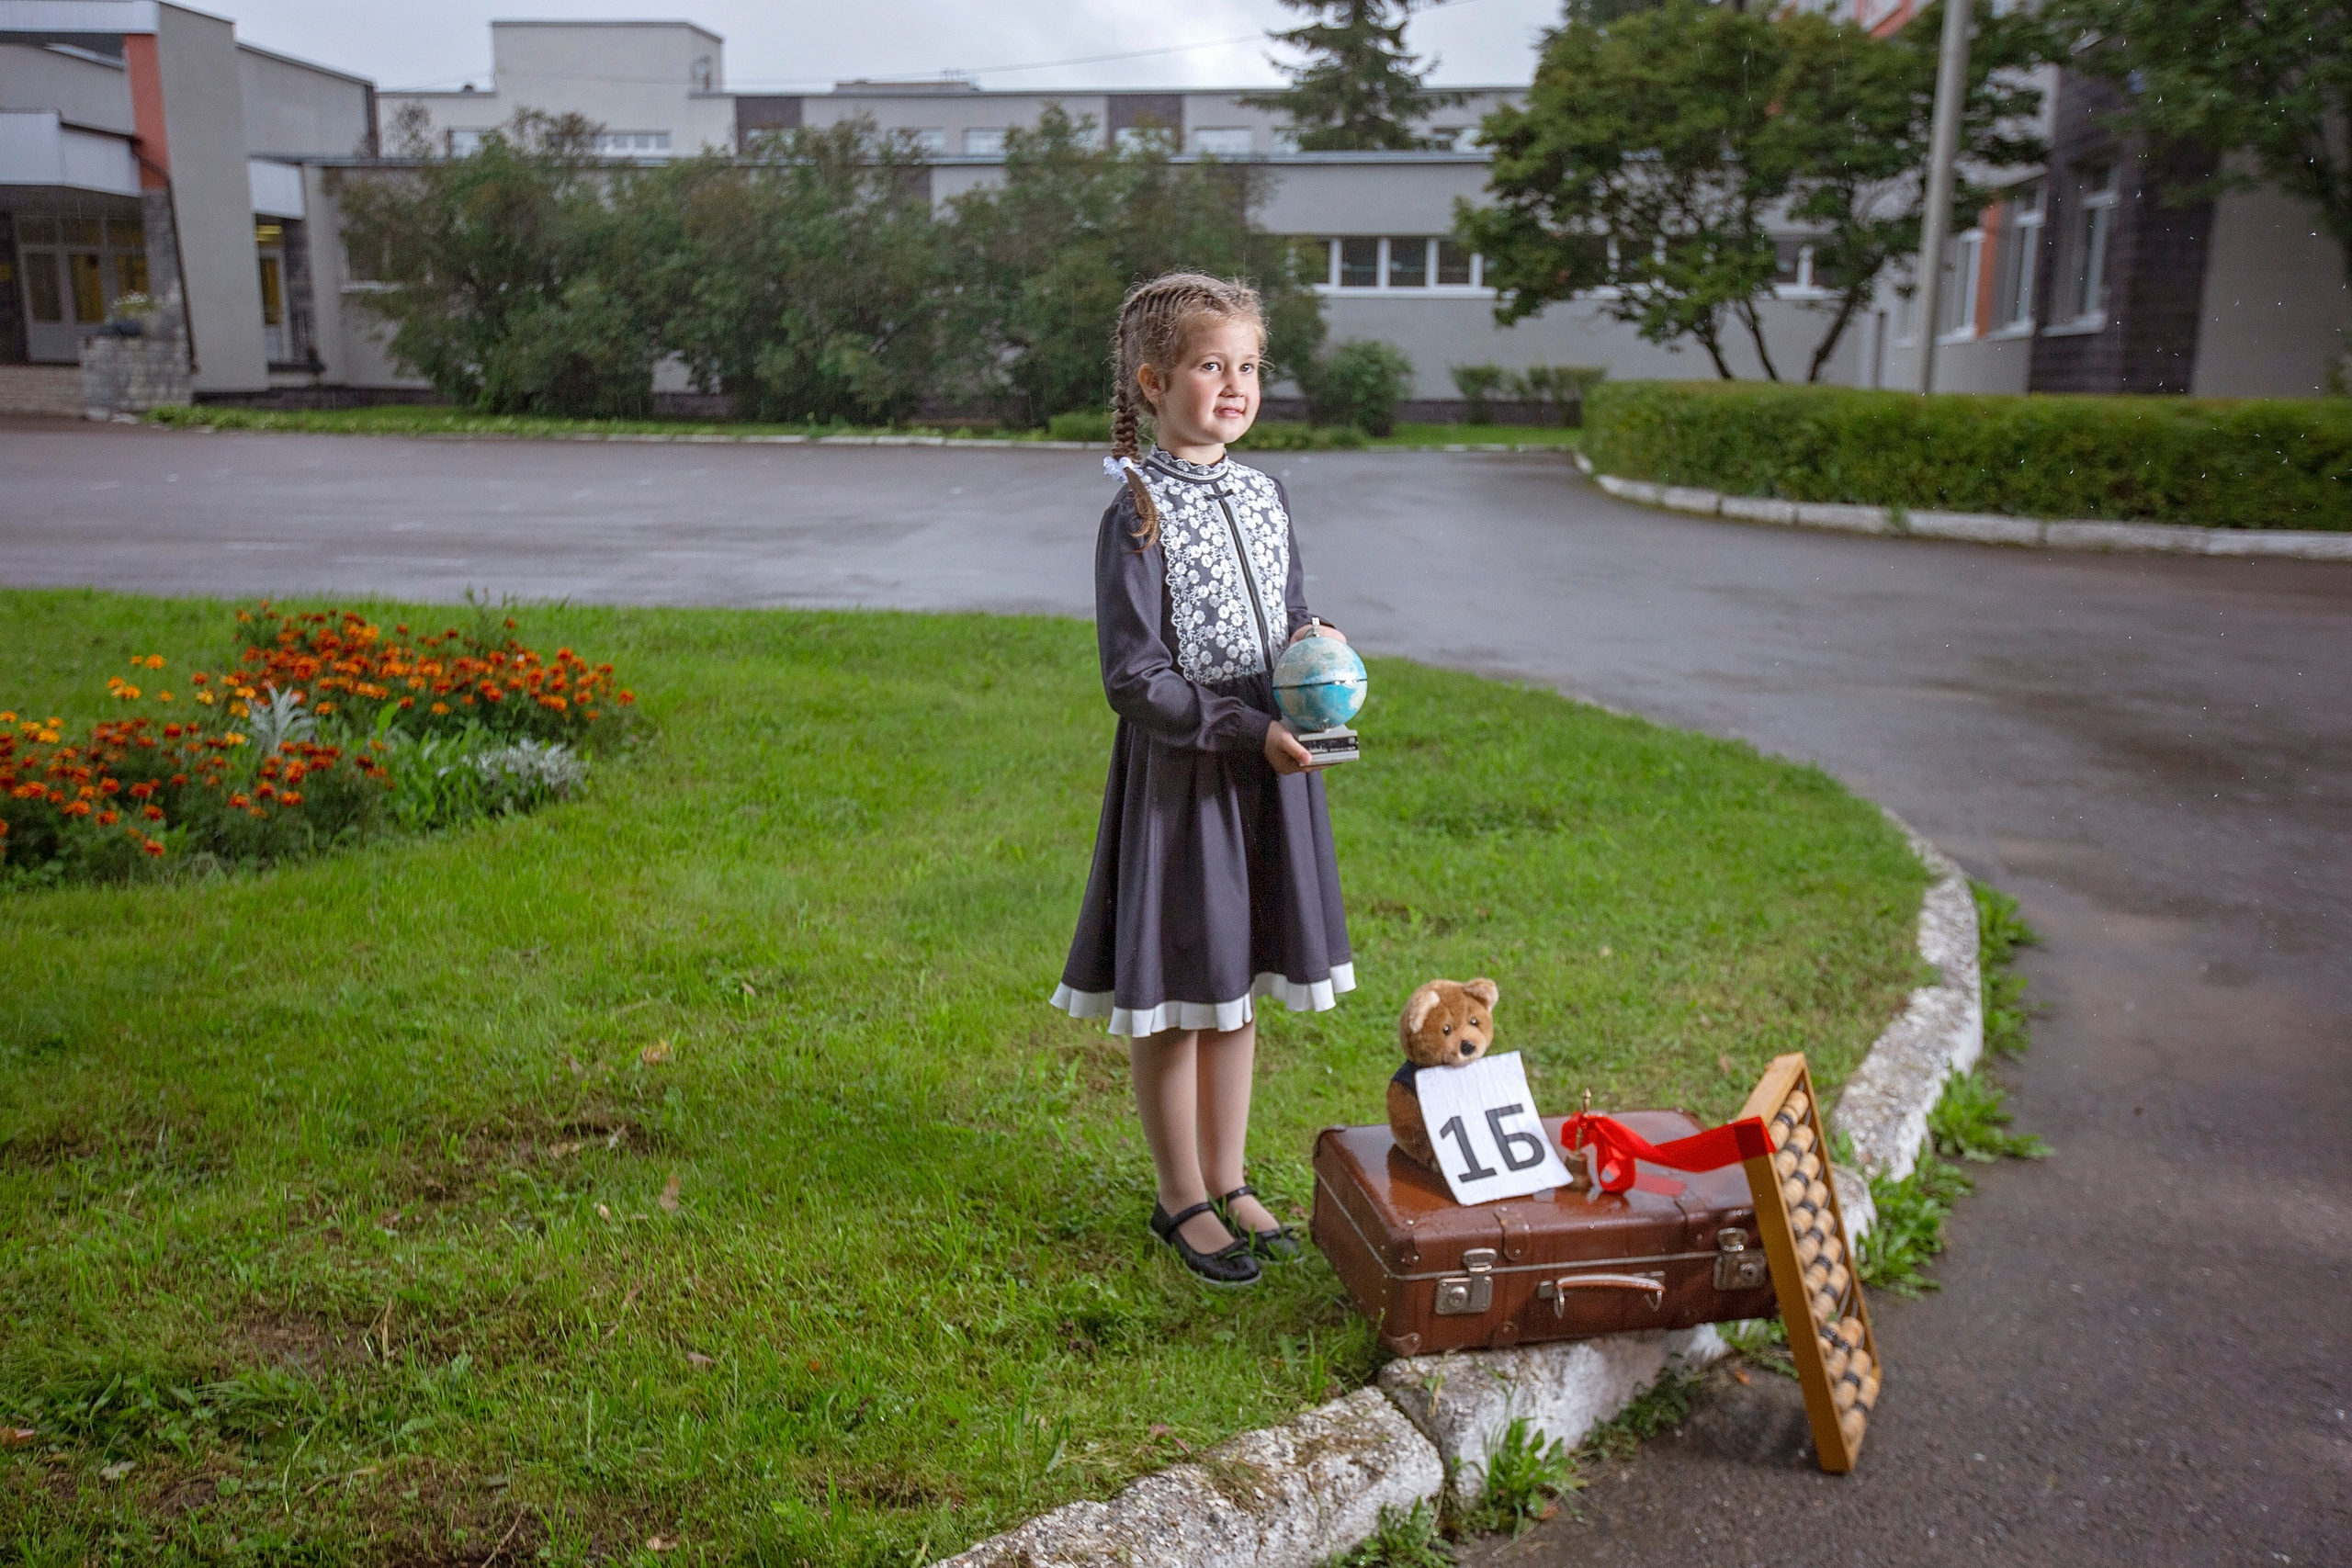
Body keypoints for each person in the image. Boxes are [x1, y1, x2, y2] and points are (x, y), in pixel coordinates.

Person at [1050, 272, 1354, 1289]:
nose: (1235, 385)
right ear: (1153, 380)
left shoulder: (1265, 494)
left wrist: (1317, 649)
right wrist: (1240, 729)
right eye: (1211, 366)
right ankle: (1178, 1192)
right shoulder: (1134, 512)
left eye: (1249, 367)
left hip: (1269, 767)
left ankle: (1230, 1177)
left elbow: (1290, 607)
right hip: (1190, 776)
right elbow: (1134, 679)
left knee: (1238, 990)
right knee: (1184, 995)